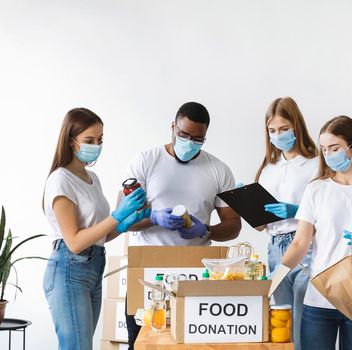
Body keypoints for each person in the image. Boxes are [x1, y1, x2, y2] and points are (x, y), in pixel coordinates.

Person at [275, 116, 352, 350]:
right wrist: (273, 278)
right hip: (320, 300)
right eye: (324, 150)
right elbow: (300, 243)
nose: (328, 155)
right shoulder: (316, 189)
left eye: (334, 148)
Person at [122, 102, 242, 348]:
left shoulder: (219, 170)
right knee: (142, 342)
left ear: (205, 137)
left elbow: (234, 225)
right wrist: (154, 218)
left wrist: (206, 230)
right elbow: (122, 219)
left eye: (197, 139)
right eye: (182, 135)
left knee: (192, 345)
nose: (188, 143)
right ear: (172, 127)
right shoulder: (146, 161)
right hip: (147, 272)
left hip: (195, 273)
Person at [42, 108, 149, 350]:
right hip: (69, 269)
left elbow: (100, 234)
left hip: (93, 267)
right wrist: (117, 215)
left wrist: (125, 223)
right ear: (71, 142)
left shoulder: (92, 178)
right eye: (89, 140)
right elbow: (76, 242)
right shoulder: (61, 180)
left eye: (100, 139)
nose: (96, 145)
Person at [253, 97, 319, 350]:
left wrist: (296, 211)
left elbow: (326, 213)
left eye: (283, 129)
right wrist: (247, 206)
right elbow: (261, 226)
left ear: (296, 127)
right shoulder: (268, 168)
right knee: (280, 327)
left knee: (306, 327)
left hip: (305, 248)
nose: (278, 135)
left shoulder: (315, 165)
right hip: (274, 248)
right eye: (272, 131)